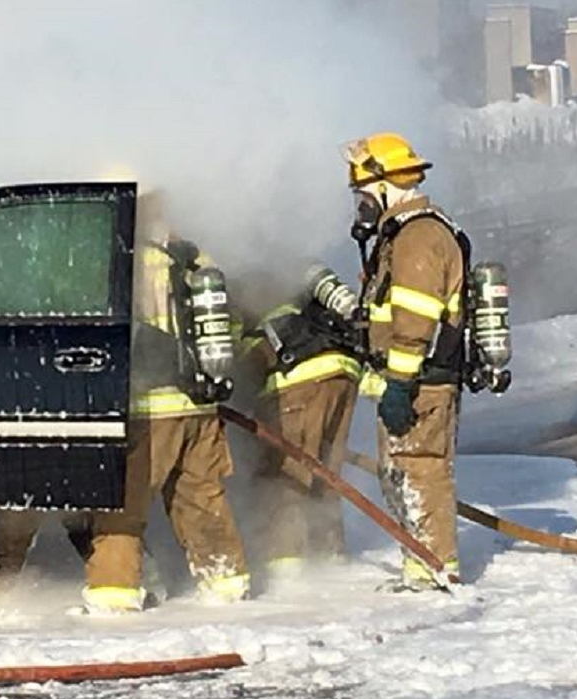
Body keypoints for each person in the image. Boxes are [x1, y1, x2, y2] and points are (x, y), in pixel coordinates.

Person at [80, 192, 250, 613]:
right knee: (202, 499)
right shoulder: (192, 254)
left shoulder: (120, 254)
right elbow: (231, 323)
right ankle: (227, 588)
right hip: (198, 404)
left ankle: (113, 598)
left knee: (121, 506)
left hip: (147, 407)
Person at [341, 132, 465, 591]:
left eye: (362, 194)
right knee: (403, 473)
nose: (360, 204)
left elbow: (414, 322)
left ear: (385, 185)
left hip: (420, 384)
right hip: (411, 380)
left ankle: (435, 569)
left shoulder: (418, 236)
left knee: (420, 471)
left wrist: (398, 384)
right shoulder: (402, 234)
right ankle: (422, 566)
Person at [242, 281, 361, 576]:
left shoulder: (238, 281)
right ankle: (329, 553)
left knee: (285, 471)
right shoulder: (290, 267)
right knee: (325, 470)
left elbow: (242, 356)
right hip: (343, 373)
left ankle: (286, 562)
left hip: (299, 378)